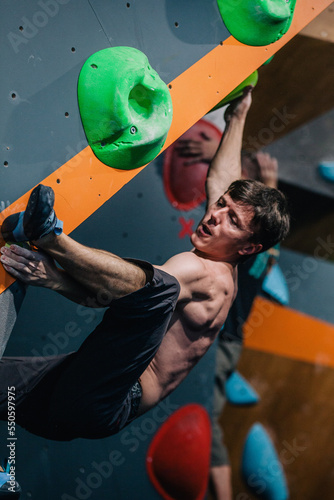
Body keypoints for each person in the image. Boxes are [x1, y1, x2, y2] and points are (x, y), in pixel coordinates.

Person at [0, 88, 289, 442]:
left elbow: (122, 295)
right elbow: (221, 182)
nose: (214, 216)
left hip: (106, 400)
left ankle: (50, 236)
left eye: (232, 220)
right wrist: (239, 114)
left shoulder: (209, 277)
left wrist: (56, 262)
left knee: (161, 288)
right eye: (221, 206)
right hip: (78, 389)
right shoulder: (223, 247)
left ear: (250, 247)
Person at [175, 125, 281, 500]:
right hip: (227, 339)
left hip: (226, 340)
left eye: (235, 216)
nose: (222, 211)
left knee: (209, 416)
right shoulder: (255, 247)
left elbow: (234, 187)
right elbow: (230, 188)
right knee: (205, 413)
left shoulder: (254, 247)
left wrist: (270, 183)